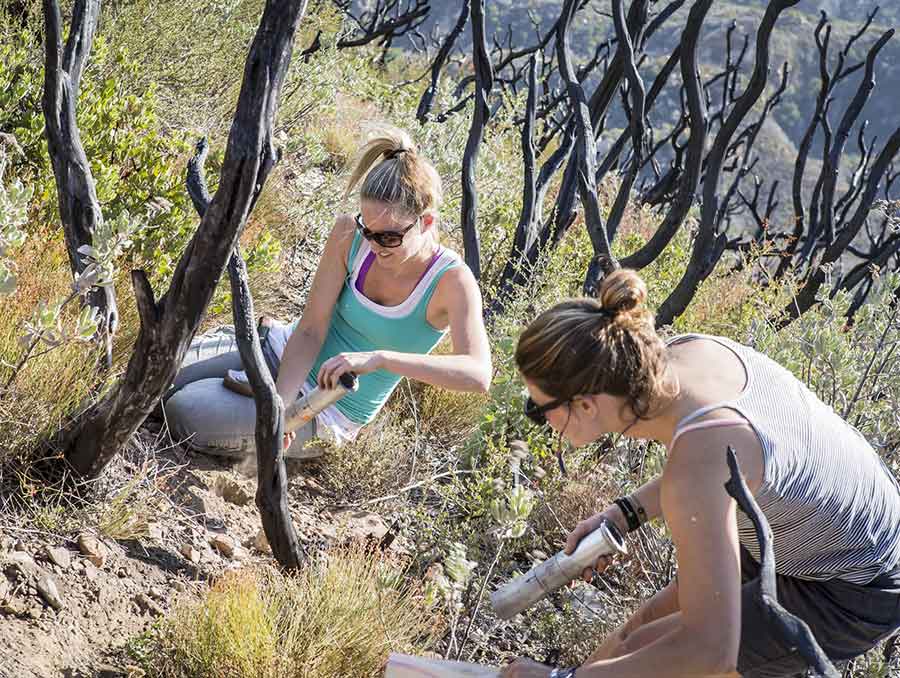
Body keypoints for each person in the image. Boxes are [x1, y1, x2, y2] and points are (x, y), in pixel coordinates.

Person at [501, 268, 900, 678]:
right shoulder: (683, 357)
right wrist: (623, 514)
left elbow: (709, 652)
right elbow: (726, 466)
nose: (538, 420)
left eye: (539, 409)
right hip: (814, 534)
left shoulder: (698, 460)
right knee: (636, 637)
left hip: (855, 587)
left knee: (666, 660)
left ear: (584, 405)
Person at [164, 125, 492, 458]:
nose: (374, 245)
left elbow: (478, 374)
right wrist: (280, 407)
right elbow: (310, 329)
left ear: (426, 223)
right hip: (281, 352)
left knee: (183, 410)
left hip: (326, 409)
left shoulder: (452, 281)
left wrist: (380, 359)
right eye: (368, 230)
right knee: (160, 372)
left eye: (389, 237)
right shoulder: (348, 234)